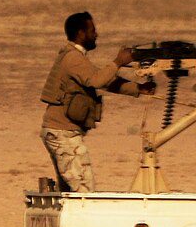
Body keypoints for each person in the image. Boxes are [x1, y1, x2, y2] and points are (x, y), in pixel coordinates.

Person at [40, 11, 151, 192]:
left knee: (71, 192)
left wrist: (138, 89)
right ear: (80, 33)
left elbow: (102, 80)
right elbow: (97, 80)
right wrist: (118, 62)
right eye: (92, 30)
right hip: (62, 133)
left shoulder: (75, 57)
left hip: (62, 132)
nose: (96, 34)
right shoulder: (72, 58)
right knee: (84, 191)